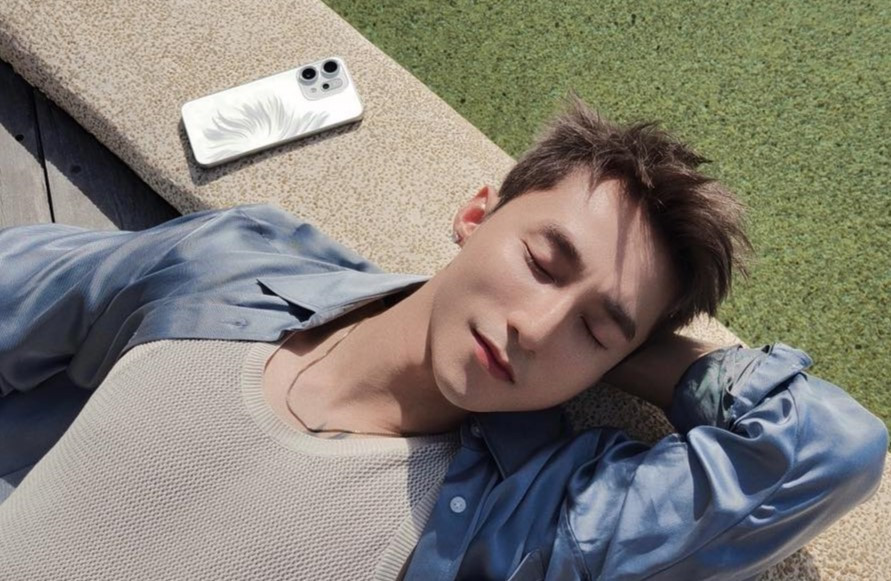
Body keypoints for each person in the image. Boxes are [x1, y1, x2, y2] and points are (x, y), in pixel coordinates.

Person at [0, 96, 886, 580]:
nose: (535, 327)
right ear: (475, 215)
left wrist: (631, 351)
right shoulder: (233, 265)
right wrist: (602, 333)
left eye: (593, 328)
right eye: (542, 262)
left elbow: (827, 449)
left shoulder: (527, 523)